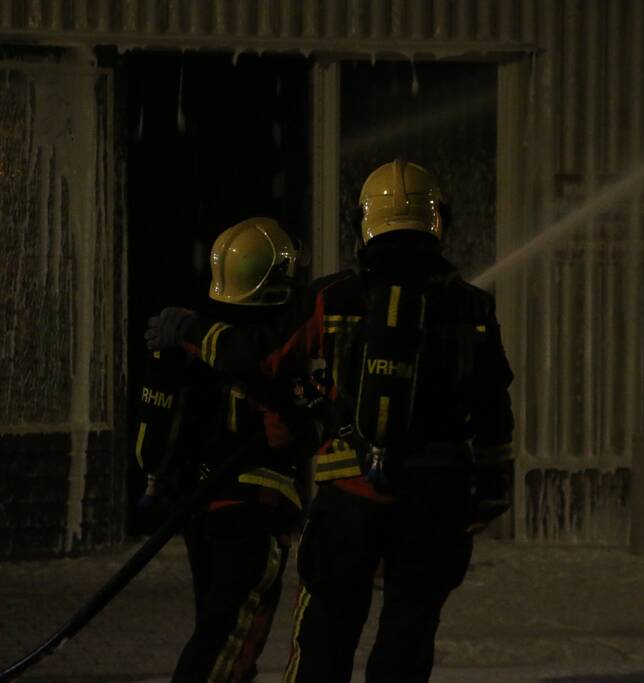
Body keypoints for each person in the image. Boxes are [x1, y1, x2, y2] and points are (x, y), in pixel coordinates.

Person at [146, 160, 515, 683]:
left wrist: (193, 331)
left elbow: (261, 356)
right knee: (407, 638)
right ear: (438, 221)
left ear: (365, 220)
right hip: (435, 506)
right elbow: (494, 411)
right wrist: (491, 488)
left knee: (325, 636)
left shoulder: (334, 298)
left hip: (349, 503)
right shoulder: (472, 307)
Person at [135, 217, 305, 683]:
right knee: (228, 649)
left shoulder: (196, 339)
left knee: (215, 635)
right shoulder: (271, 349)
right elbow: (291, 431)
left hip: (202, 513)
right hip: (255, 514)